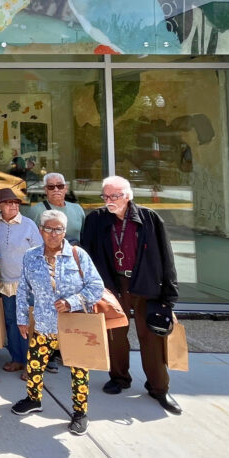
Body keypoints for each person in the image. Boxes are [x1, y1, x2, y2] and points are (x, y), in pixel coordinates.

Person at [81, 175, 182, 415]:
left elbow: (166, 257)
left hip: (146, 283)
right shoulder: (95, 219)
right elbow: (87, 255)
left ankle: (159, 388)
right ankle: (119, 378)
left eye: (114, 196)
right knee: (115, 334)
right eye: (105, 196)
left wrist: (169, 296)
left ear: (128, 196)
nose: (109, 200)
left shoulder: (149, 219)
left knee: (152, 337)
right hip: (113, 284)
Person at [12, 210, 103, 435]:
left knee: (79, 370)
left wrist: (72, 301)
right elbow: (23, 289)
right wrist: (22, 319)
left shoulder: (77, 255)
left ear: (64, 231)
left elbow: (96, 286)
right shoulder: (30, 255)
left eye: (59, 229)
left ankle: (80, 413)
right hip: (44, 324)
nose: (54, 234)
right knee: (35, 363)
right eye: (49, 229)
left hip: (74, 324)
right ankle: (34, 399)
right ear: (41, 231)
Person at [0, 187, 42, 376]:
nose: (13, 206)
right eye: (8, 203)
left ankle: (32, 363)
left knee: (28, 323)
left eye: (16, 203)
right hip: (4, 282)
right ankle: (17, 359)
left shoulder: (28, 224)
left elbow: (39, 254)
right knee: (12, 322)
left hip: (26, 284)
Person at [27, 172, 87, 244]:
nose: (56, 189)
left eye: (60, 186)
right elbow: (29, 238)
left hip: (74, 254)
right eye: (51, 187)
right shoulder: (36, 210)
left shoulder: (77, 209)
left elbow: (84, 236)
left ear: (66, 188)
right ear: (45, 190)